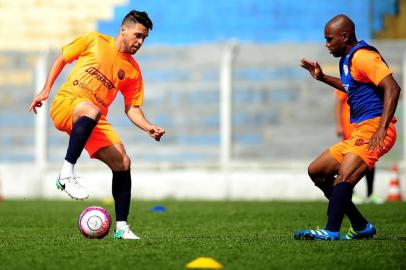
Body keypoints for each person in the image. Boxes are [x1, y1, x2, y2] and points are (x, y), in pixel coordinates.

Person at [29, 10, 165, 240]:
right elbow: (62, 58)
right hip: (67, 104)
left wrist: (148, 127)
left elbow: (132, 108)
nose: (140, 42)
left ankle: (121, 227)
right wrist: (45, 90)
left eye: (144, 38)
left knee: (122, 161)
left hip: (93, 120)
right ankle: (66, 174)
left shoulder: (132, 70)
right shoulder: (94, 40)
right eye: (138, 35)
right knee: (92, 109)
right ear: (124, 29)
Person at [295, 14, 400, 240]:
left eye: (329, 39)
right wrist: (322, 78)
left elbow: (393, 87)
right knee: (318, 172)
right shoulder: (347, 60)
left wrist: (382, 128)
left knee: (344, 177)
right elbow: (350, 87)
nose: (327, 44)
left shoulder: (364, 56)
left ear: (345, 36)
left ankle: (331, 230)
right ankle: (361, 226)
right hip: (360, 130)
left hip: (375, 128)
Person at [335, 90, 383, 204]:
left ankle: (370, 194)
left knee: (369, 158)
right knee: (348, 160)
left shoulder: (365, 80)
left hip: (366, 127)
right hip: (350, 127)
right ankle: (351, 193)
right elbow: (338, 102)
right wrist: (338, 125)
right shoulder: (348, 79)